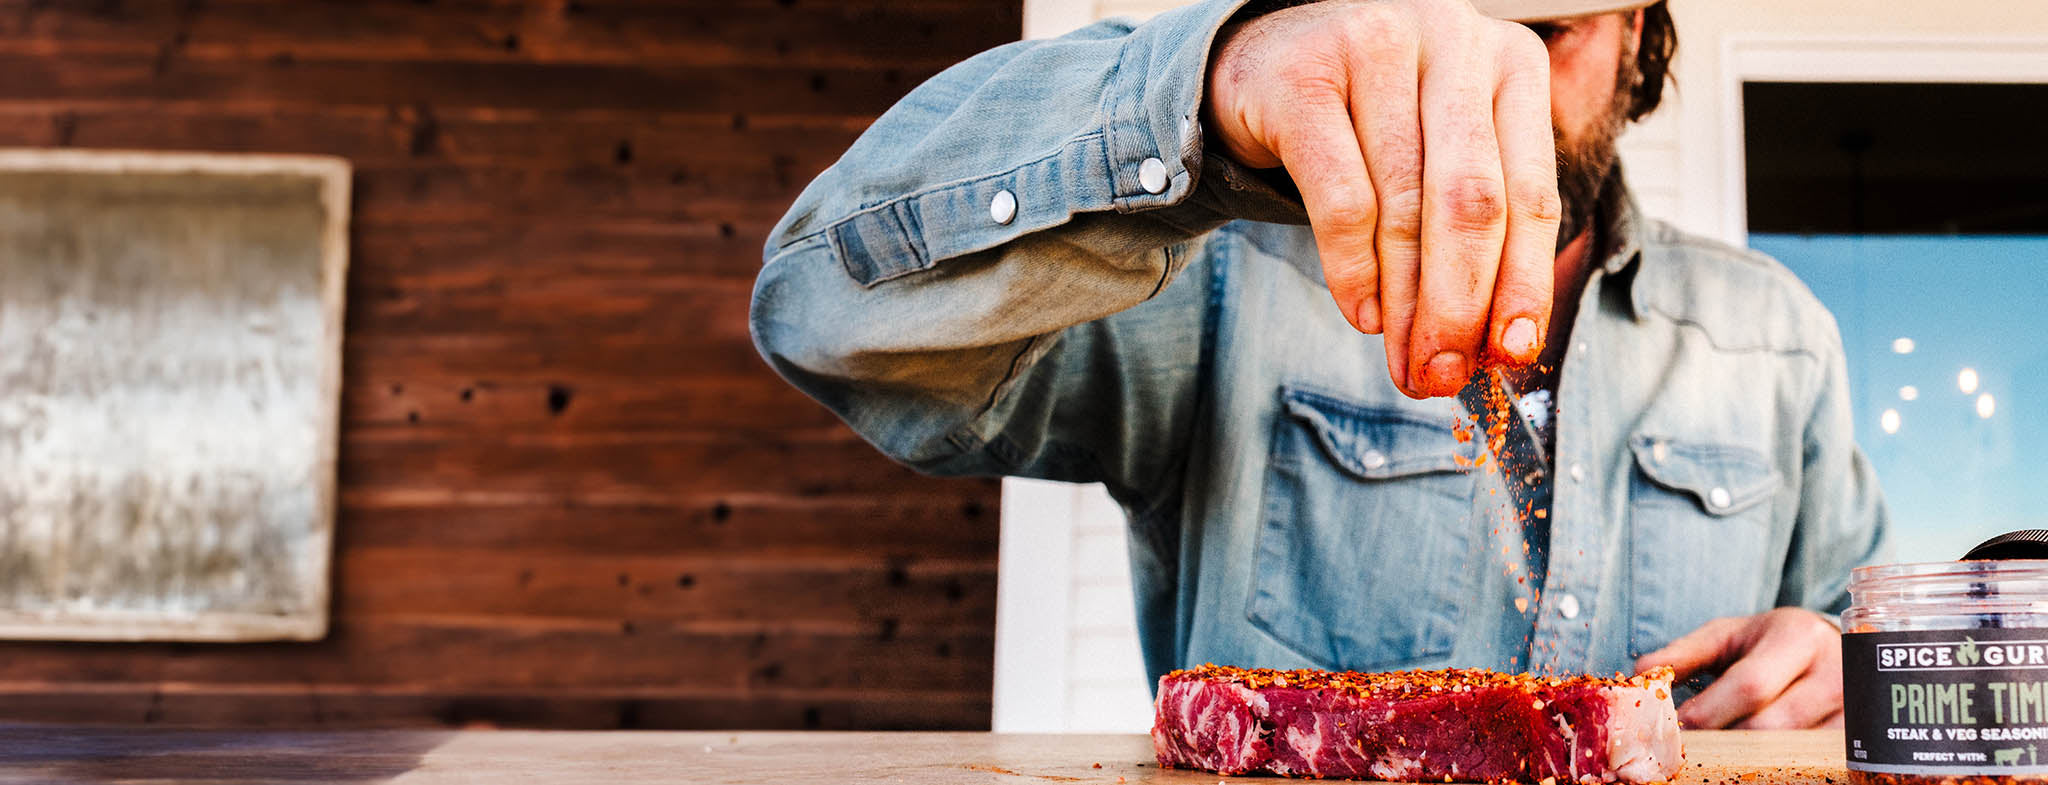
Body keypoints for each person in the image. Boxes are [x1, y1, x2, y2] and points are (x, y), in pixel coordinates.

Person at [750, 0, 1888, 729]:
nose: (1483, 86)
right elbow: (821, 309)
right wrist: (1203, 93)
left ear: (1637, 30)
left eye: (1543, 37)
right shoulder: (1212, 274)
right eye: (1453, 28)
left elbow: (1873, 623)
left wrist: (1842, 651)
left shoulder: (1775, 334)